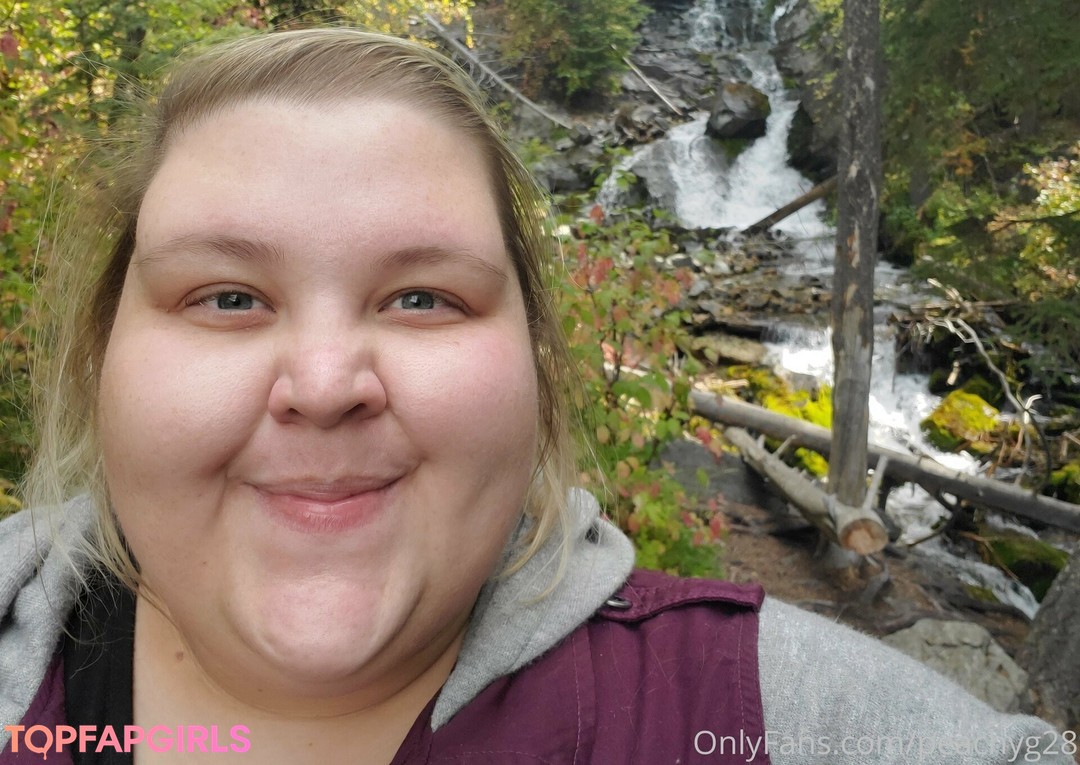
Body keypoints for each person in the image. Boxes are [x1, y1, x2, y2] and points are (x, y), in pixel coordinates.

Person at [0, 28, 1073, 765]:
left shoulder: (767, 716)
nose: (324, 387)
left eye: (422, 297)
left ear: (535, 364)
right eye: (228, 297)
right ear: (102, 357)